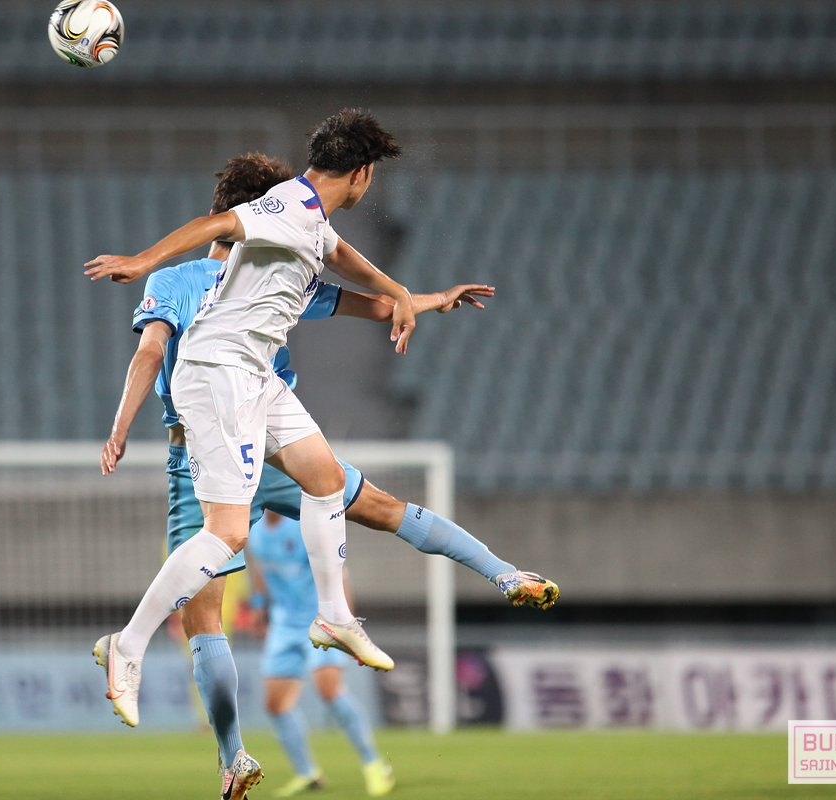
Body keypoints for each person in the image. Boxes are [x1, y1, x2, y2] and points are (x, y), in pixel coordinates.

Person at [86, 112, 556, 796]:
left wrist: (411, 296)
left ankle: (344, 615)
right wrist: (141, 261)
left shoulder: (303, 236)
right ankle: (129, 650)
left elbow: (348, 269)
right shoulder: (272, 218)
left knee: (327, 480)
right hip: (217, 392)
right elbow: (213, 236)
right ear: (361, 173)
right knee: (225, 545)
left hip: (255, 390)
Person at [248, 509, 394, 797]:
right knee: (276, 705)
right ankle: (308, 774)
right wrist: (258, 603)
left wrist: (347, 626)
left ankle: (374, 763)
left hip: (320, 620)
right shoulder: (255, 529)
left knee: (329, 691)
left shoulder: (302, 526)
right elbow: (260, 566)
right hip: (283, 625)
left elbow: (339, 575)